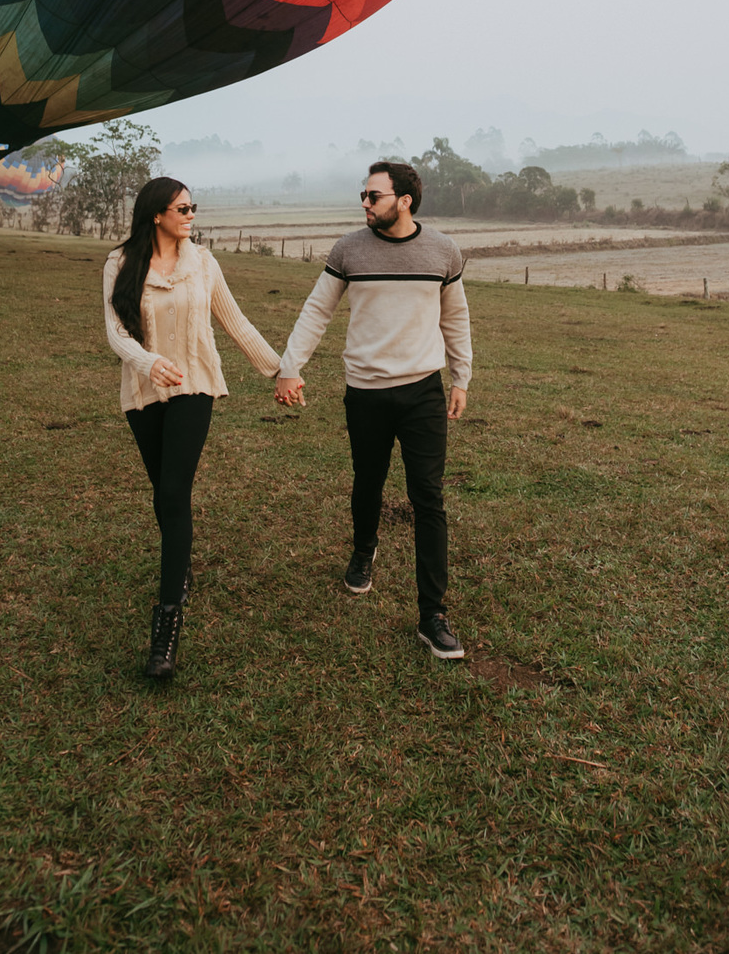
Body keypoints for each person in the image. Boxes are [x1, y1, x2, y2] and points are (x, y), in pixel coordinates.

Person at [274, 159, 472, 659]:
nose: (364, 203)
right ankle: (365, 550)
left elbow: (456, 316)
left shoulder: (442, 251)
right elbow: (317, 310)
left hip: (422, 391)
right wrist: (290, 367)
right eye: (363, 195)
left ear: (404, 201)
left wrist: (460, 376)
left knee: (428, 498)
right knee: (368, 480)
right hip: (364, 390)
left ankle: (433, 615)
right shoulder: (349, 250)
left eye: (373, 196)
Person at [103, 176, 281, 680]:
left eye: (192, 206)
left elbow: (236, 321)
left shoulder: (203, 263)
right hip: (143, 393)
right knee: (163, 494)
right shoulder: (119, 263)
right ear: (156, 214)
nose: (191, 214)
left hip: (195, 387)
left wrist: (280, 368)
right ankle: (180, 567)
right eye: (182, 207)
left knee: (174, 492)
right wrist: (147, 361)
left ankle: (166, 628)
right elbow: (114, 330)